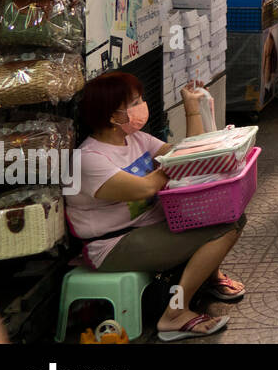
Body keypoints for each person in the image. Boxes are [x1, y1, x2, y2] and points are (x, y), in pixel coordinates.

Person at [64, 74, 247, 341]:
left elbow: (190, 152)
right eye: (134, 102)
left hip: (148, 228)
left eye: (140, 99)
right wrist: (177, 162)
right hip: (113, 244)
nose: (142, 105)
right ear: (112, 115)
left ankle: (209, 276)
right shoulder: (88, 159)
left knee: (230, 215)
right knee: (225, 227)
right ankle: (175, 313)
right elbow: (147, 188)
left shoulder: (136, 139)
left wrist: (191, 108)